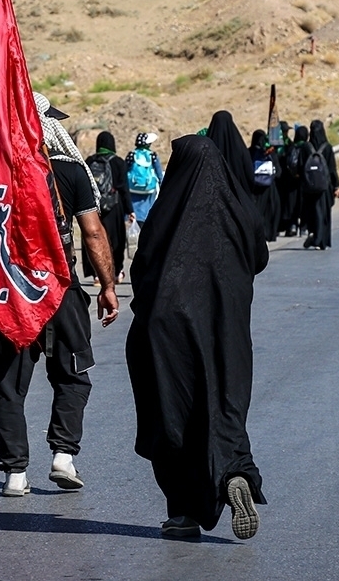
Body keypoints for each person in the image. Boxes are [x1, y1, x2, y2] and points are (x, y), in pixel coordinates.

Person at [0, 92, 118, 498]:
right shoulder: (70, 172)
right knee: (73, 373)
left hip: (9, 291)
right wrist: (107, 286)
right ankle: (63, 455)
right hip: (61, 288)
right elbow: (94, 232)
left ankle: (15, 474)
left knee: (8, 384)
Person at [125, 135, 269, 541]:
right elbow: (259, 258)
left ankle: (184, 514)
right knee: (224, 404)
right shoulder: (240, 211)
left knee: (173, 417)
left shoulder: (167, 211)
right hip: (226, 332)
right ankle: (236, 472)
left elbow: (142, 271)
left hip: (166, 336)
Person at [84, 131, 134, 284]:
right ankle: (115, 273)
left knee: (94, 238)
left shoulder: (90, 161)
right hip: (114, 208)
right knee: (115, 241)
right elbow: (124, 188)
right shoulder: (118, 162)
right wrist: (129, 210)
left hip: (94, 208)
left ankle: (97, 275)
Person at [302, 120, 339, 250]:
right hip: (325, 187)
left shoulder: (306, 147)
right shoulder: (327, 147)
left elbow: (300, 167)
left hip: (309, 187)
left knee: (312, 212)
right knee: (323, 213)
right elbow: (332, 169)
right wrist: (336, 186)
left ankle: (314, 236)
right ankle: (322, 240)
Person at [248, 129, 282, 242]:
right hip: (269, 188)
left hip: (254, 189)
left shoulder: (249, 152)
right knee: (271, 210)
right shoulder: (270, 153)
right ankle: (269, 234)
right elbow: (278, 172)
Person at [126, 132, 164, 226]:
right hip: (149, 189)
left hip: (132, 188)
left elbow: (124, 170)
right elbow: (159, 173)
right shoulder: (152, 156)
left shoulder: (131, 155)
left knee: (134, 209)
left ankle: (133, 223)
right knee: (147, 210)